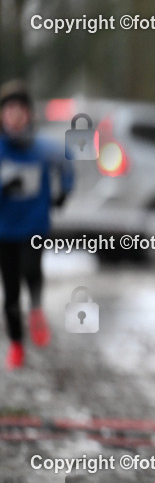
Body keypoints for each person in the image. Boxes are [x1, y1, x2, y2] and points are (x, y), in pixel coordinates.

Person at [0, 80, 74, 370]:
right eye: (9, 110)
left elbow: (67, 165)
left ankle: (37, 310)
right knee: (10, 291)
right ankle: (17, 345)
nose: (15, 115)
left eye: (20, 109)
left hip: (33, 225)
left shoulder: (43, 148)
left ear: (29, 114)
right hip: (4, 228)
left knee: (31, 269)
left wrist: (63, 193)